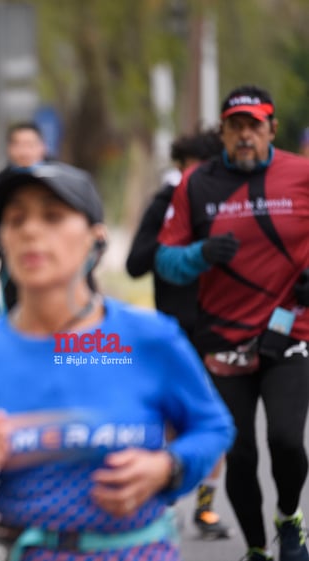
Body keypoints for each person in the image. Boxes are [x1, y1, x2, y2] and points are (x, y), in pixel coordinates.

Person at [0, 161, 235, 561]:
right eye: (15, 218)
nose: (31, 231)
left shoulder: (151, 338)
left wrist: (167, 468)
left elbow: (213, 427)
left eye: (53, 216)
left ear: (96, 238)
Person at [157, 85, 309, 561]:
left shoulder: (302, 175)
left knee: (285, 439)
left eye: (254, 126)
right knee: (240, 452)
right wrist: (200, 255)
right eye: (235, 126)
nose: (245, 135)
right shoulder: (196, 184)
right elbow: (164, 260)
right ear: (222, 131)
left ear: (271, 129)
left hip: (291, 332)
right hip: (222, 336)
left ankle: (288, 519)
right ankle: (259, 547)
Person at [126, 126, 231, 539]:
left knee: (215, 417)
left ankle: (205, 510)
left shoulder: (230, 204)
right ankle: (165, 505)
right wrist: (179, 247)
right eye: (192, 169)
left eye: (206, 170)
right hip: (174, 331)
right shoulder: (165, 202)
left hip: (221, 326)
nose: (198, 179)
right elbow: (135, 263)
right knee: (170, 423)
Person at [0, 122, 48, 313]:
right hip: (14, 271)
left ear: (42, 147)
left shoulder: (63, 184)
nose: (25, 151)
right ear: (10, 149)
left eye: (30, 144)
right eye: (19, 144)